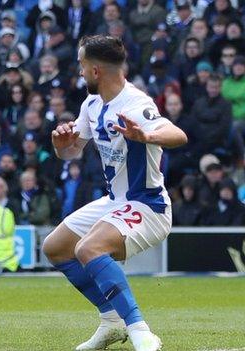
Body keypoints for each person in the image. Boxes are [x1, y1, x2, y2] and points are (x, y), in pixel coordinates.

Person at [43, 35, 187, 351]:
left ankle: (140, 331)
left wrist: (147, 134)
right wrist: (61, 145)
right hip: (115, 201)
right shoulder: (91, 105)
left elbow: (177, 134)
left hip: (148, 205)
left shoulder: (136, 104)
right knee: (55, 247)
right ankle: (111, 321)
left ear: (95, 70)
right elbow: (71, 153)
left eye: (81, 66)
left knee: (88, 248)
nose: (79, 73)